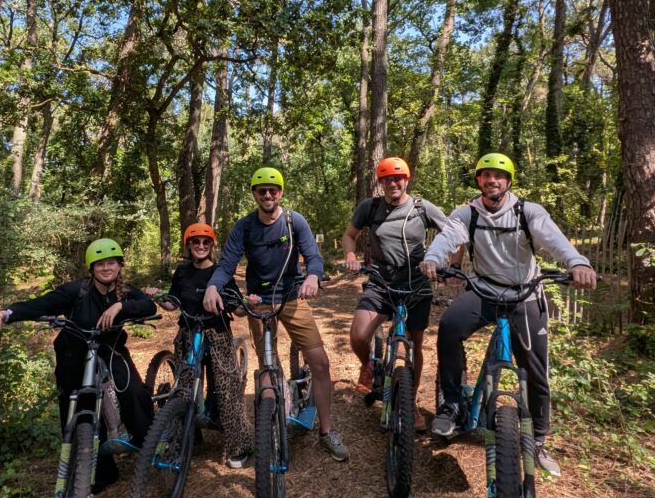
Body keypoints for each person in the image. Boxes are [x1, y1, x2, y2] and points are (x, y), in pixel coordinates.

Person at [419, 153, 597, 475]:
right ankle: (452, 406)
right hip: (484, 292)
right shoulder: (467, 213)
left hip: (525, 295)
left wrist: (577, 262)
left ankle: (538, 439)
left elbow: (554, 239)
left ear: (509, 181)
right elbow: (447, 238)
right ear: (478, 181)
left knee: (535, 369)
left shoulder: (528, 212)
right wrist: (433, 258)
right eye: (485, 175)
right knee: (448, 326)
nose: (492, 181)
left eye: (499, 176)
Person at [0, 238, 157, 492]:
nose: (106, 269)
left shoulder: (125, 292)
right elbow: (40, 304)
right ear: (91, 268)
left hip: (110, 350)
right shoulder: (77, 291)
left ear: (119, 266)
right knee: (77, 408)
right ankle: (98, 473)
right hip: (74, 354)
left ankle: (147, 443)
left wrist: (120, 306)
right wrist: (4, 314)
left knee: (134, 393)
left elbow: (148, 305)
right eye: (100, 264)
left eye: (111, 263)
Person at [203, 166, 349, 461]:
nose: (268, 194)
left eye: (273, 190)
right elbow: (227, 263)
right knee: (266, 367)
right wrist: (212, 287)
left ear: (280, 192)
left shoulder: (294, 222)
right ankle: (269, 425)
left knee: (320, 363)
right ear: (255, 194)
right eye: (262, 190)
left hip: (293, 297)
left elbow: (313, 257)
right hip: (260, 302)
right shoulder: (244, 227)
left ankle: (327, 431)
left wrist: (313, 277)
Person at [342, 156, 451, 431]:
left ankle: (410, 402)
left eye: (398, 177)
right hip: (380, 282)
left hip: (416, 284)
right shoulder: (370, 207)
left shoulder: (422, 208)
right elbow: (349, 235)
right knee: (358, 334)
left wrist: (451, 263)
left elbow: (452, 232)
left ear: (407, 179)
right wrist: (351, 255)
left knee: (414, 343)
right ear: (381, 183)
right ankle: (367, 364)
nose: (393, 183)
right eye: (387, 178)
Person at [151, 222, 254, 469]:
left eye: (205, 242)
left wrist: (250, 304)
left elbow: (237, 309)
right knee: (184, 389)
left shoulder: (221, 273)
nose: (200, 246)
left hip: (217, 334)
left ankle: (238, 446)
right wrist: (157, 297)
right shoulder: (182, 272)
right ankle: (187, 437)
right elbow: (173, 304)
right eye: (195, 242)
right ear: (188, 245)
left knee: (227, 390)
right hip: (188, 335)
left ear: (212, 246)